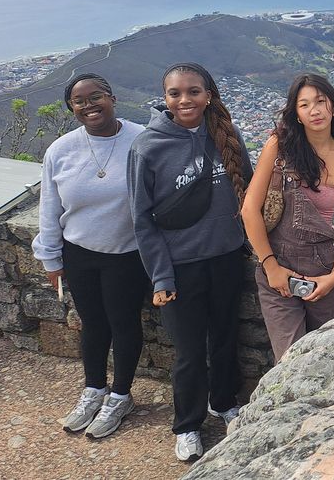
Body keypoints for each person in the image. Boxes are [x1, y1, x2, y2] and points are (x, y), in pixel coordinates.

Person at [127, 62, 253, 462]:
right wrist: (161, 276)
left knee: (224, 337)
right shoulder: (147, 147)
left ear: (209, 95)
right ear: (164, 98)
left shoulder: (226, 136)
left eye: (193, 91)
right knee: (188, 351)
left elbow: (248, 192)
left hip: (227, 257)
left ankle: (224, 401)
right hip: (180, 265)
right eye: (175, 93)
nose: (185, 100)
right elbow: (141, 219)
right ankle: (187, 423)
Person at [32, 73, 147, 439]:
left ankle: (121, 395)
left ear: (112, 97)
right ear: (72, 109)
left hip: (127, 253)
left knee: (124, 323)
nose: (88, 105)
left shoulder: (142, 139)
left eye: (95, 97)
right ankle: (94, 388)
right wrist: (51, 258)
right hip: (78, 251)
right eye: (79, 102)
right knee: (93, 323)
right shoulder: (61, 151)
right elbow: (49, 208)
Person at [241, 74, 334, 362]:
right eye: (304, 104)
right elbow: (249, 209)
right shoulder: (279, 147)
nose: (315, 110)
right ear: (296, 113)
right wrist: (271, 267)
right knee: (291, 360)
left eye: (321, 102)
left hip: (323, 265)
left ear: (333, 106)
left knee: (327, 357)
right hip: (277, 264)